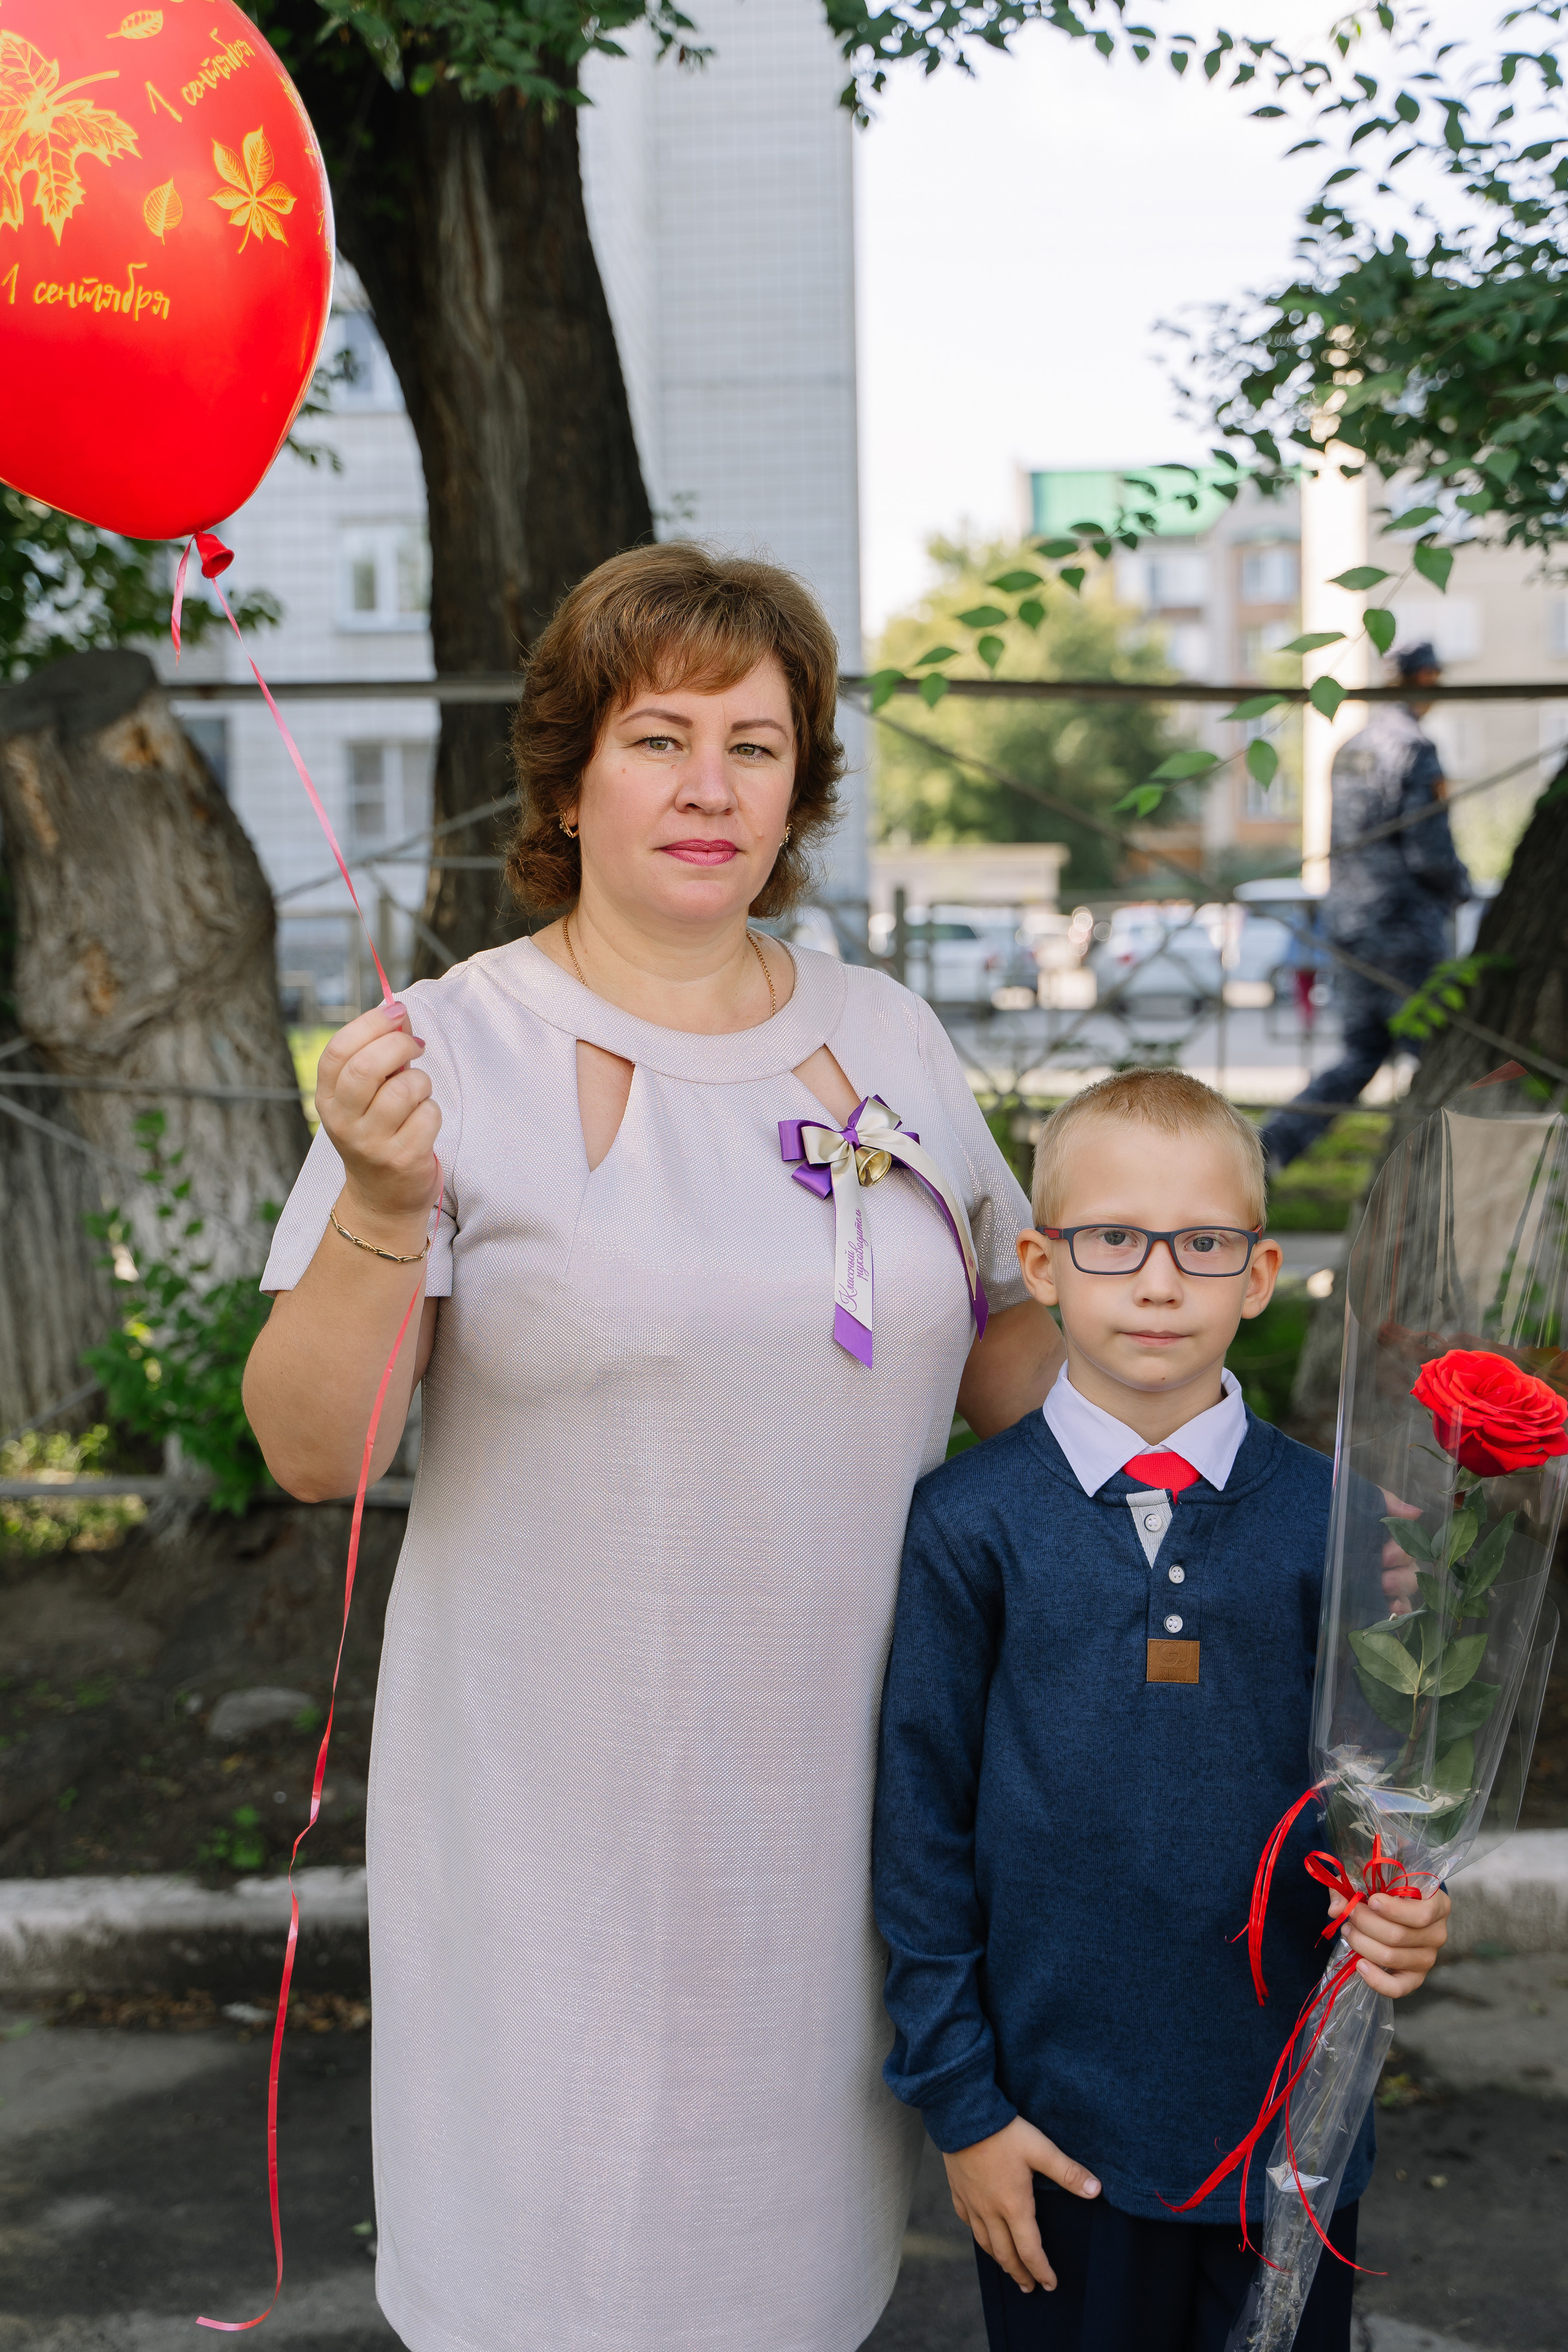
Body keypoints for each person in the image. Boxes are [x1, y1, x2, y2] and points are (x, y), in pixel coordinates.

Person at [241, 543, 1066, 2352]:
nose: (710, 788)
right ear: (567, 776)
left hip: (834, 1802)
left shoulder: (890, 1037)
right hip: (555, 1825)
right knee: (568, 2265)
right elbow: (314, 1444)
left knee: (786, 2267)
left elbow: (1012, 1364)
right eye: (659, 737)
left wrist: (1188, 1368)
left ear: (803, 784)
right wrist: (386, 1201)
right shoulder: (445, 1052)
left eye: (755, 746)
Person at [871, 1069, 1450, 2352]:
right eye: (1110, 1239)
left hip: (1285, 2133)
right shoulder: (968, 1527)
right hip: (1055, 2146)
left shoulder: (1336, 1518)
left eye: (1202, 1244)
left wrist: (1404, 1914)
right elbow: (917, 1836)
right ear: (1041, 1263)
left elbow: (1378, 1801)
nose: (1155, 1279)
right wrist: (962, 2107)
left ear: (1255, 1274)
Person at [1262, 643, 1471, 1171]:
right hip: (1404, 928)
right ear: (1424, 679)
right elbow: (1429, 850)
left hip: (1349, 925)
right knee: (1434, 1053)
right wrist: (1461, 887)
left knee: (1362, 1053)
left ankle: (1271, 1149)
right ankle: (1431, 1173)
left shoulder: (1352, 747)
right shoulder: (1415, 749)